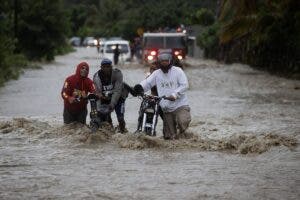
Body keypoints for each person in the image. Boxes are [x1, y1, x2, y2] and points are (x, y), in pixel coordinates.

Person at [134, 53, 191, 140]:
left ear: (170, 62)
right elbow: (148, 83)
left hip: (180, 105)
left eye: (166, 61)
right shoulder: (156, 74)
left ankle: (183, 135)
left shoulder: (178, 71)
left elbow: (185, 85)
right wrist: (140, 87)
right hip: (166, 108)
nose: (164, 63)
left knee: (182, 121)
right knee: (169, 137)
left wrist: (175, 94)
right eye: (162, 62)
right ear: (159, 63)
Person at [93, 58, 129, 133]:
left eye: (108, 66)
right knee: (103, 118)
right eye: (104, 66)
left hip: (119, 98)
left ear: (111, 67)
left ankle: (123, 132)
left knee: (120, 118)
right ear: (101, 67)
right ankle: (110, 132)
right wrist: (98, 110)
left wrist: (112, 104)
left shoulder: (117, 74)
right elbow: (98, 93)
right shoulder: (97, 77)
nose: (106, 68)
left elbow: (117, 91)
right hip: (105, 98)